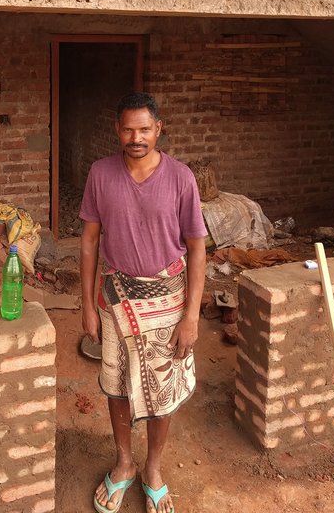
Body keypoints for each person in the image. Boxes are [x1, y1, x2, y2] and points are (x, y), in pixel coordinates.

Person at [79, 92, 207, 513]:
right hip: (114, 298)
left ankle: (153, 468)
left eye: (145, 129)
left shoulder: (181, 178)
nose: (136, 137)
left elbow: (196, 249)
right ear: (118, 130)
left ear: (159, 129)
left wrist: (191, 316)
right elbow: (89, 243)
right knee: (116, 385)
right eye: (129, 129)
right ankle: (124, 463)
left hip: (168, 302)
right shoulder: (100, 173)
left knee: (162, 392)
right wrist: (85, 306)